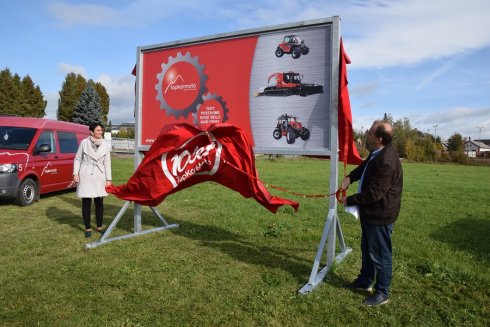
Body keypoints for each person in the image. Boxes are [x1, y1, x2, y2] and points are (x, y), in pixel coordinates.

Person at [341, 120, 403, 306]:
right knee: (368, 249)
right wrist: (350, 177)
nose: (366, 134)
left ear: (378, 138)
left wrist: (349, 200)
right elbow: (364, 167)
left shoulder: (387, 161)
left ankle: (382, 292)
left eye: (369, 132)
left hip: (380, 215)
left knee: (380, 254)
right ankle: (365, 281)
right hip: (371, 213)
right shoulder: (377, 153)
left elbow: (374, 194)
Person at [73, 122, 112, 238]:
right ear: (91, 132)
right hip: (86, 174)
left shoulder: (105, 144)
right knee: (86, 202)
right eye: (98, 130)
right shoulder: (84, 143)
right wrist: (75, 173)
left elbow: (107, 162)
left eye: (101, 130)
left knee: (99, 202)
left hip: (100, 175)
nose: (101, 132)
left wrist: (108, 179)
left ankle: (99, 227)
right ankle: (88, 228)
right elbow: (78, 158)